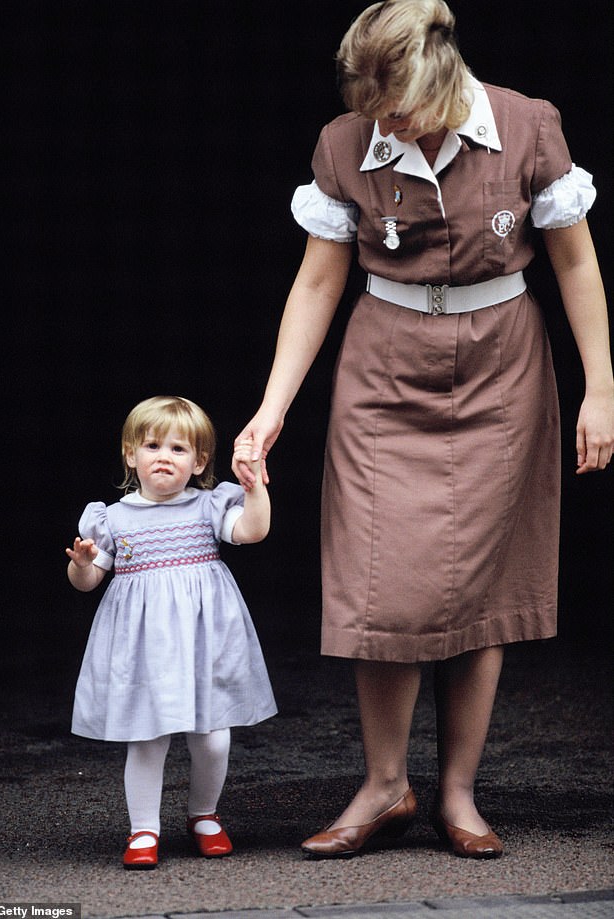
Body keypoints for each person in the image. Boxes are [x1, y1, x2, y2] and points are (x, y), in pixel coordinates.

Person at [233, 0, 614, 860]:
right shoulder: (344, 143)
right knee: (383, 583)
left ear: (444, 74)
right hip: (385, 368)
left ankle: (459, 795)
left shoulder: (527, 124)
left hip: (502, 366)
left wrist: (603, 387)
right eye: (374, 107)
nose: (386, 122)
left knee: (482, 587)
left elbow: (577, 259)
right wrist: (272, 406)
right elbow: (318, 285)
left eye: (400, 107)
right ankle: (383, 785)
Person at [67, 395, 277, 869]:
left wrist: (254, 489)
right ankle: (143, 829)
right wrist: (82, 565)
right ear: (130, 455)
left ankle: (203, 814)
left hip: (205, 642)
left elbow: (253, 531)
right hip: (143, 647)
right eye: (153, 445)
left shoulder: (209, 505)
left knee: (213, 737)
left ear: (199, 461)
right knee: (146, 737)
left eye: (179, 449)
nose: (164, 456)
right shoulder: (112, 518)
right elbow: (88, 582)